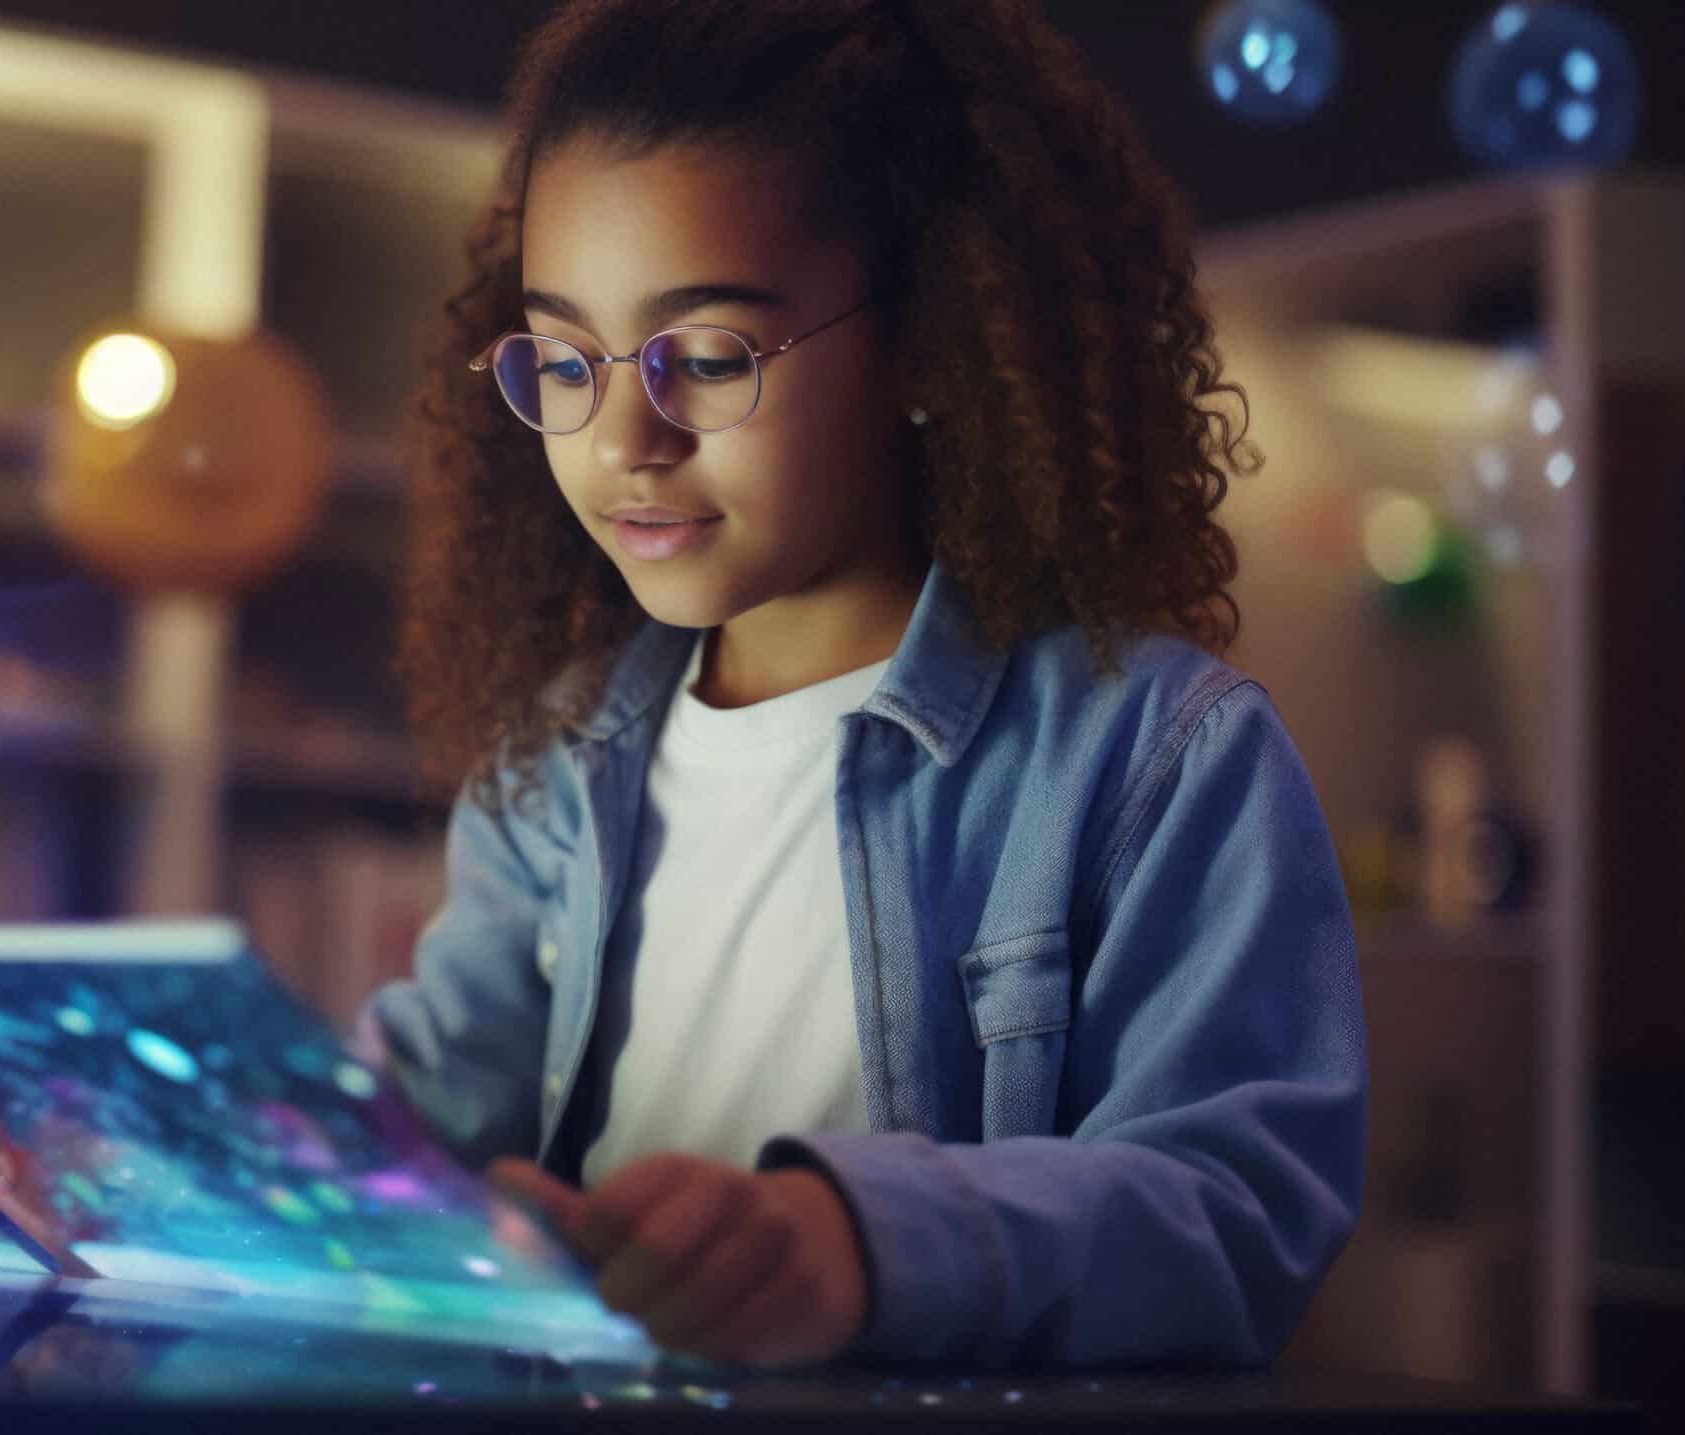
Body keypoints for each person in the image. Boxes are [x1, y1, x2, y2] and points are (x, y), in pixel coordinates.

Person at [364, 0, 1366, 1370]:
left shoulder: (1156, 757)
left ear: (926, 344)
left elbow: (1238, 1209)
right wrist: (140, 1148)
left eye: (707, 358)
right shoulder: (557, 759)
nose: (624, 439)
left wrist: (857, 1241)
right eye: (565, 360)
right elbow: (415, 1109)